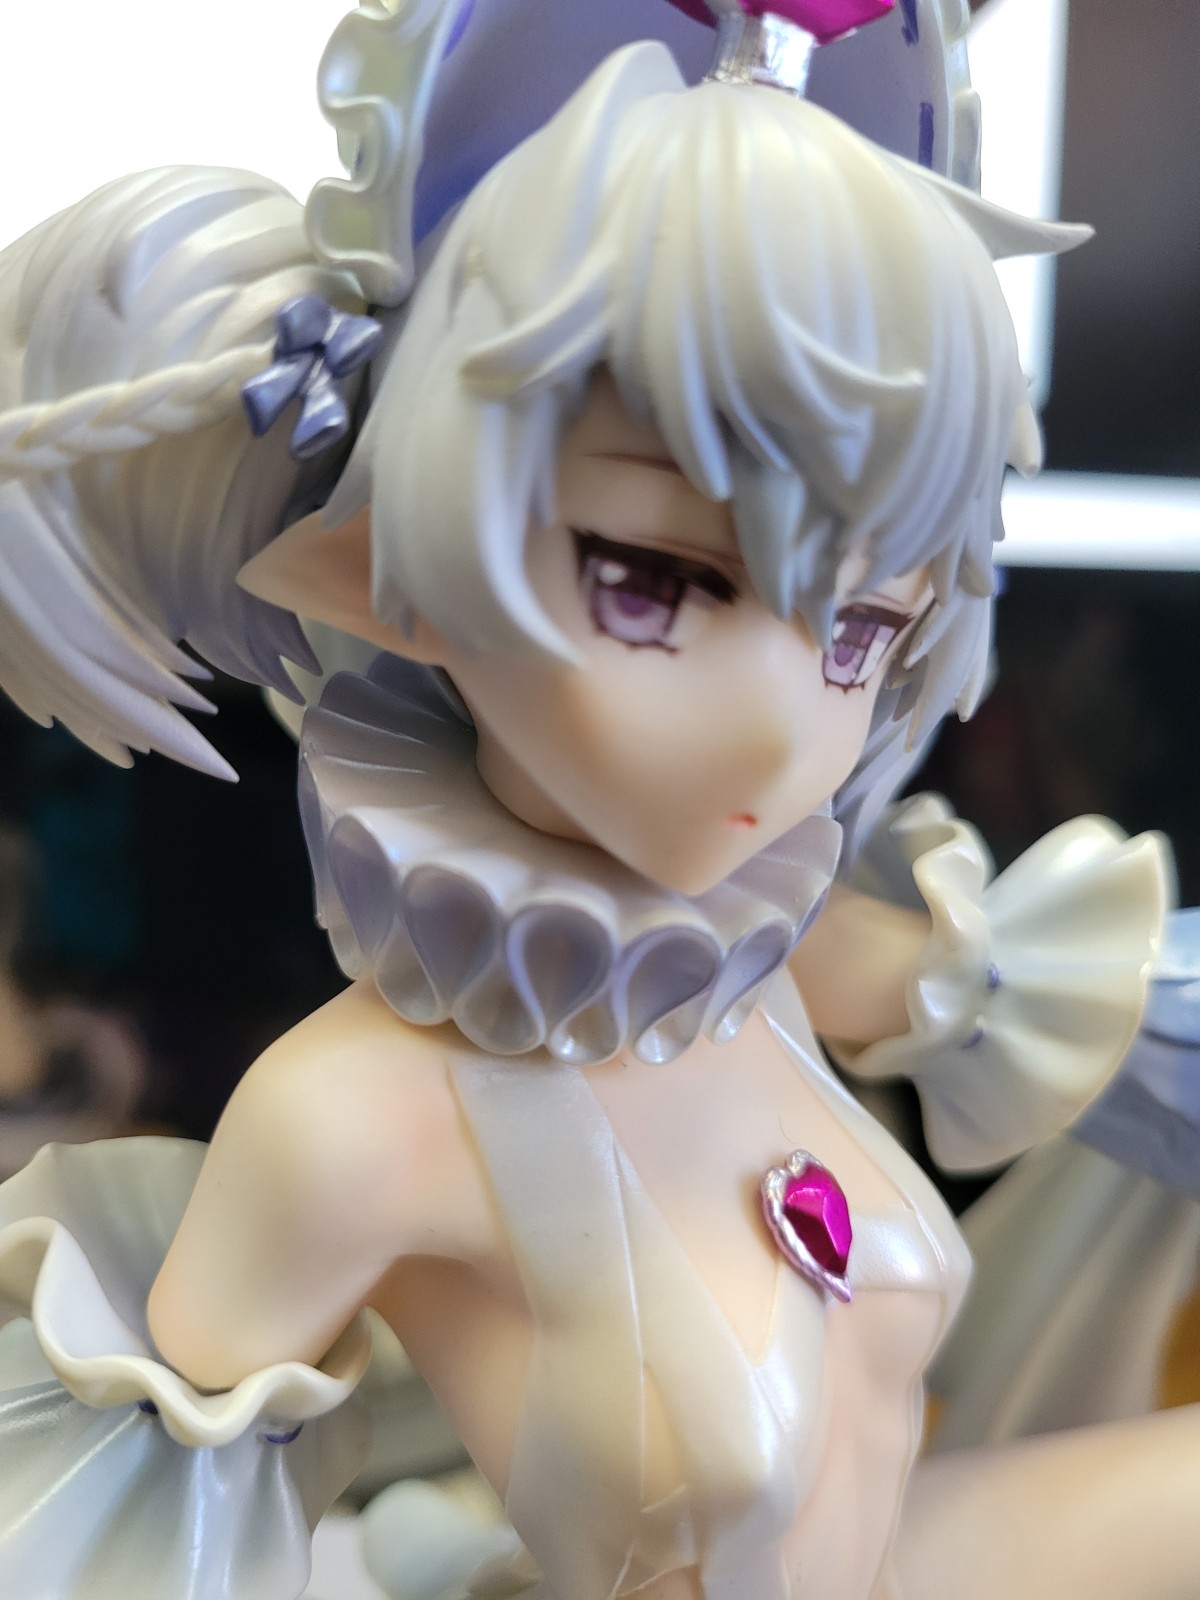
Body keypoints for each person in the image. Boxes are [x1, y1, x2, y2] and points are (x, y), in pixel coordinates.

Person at [0, 3, 1179, 1598]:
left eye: (861, 630)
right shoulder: (351, 1121)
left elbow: (1105, 1041)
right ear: (390, 557)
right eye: (652, 583)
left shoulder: (775, 954)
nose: (782, 736)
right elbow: (133, 1546)